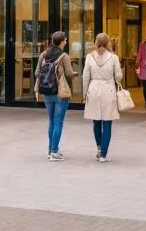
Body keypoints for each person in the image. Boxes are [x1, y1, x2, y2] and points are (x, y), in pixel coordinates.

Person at [35, 31, 76, 161]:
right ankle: (54, 152)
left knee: (51, 121)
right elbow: (69, 74)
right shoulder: (64, 56)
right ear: (62, 42)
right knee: (58, 121)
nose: (66, 42)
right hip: (60, 92)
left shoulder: (43, 54)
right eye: (65, 40)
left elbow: (37, 72)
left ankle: (50, 149)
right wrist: (74, 73)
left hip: (46, 91)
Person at [83, 33, 123, 162]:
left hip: (93, 89)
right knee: (107, 122)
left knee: (96, 121)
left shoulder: (89, 57)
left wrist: (84, 93)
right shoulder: (113, 58)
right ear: (108, 43)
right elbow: (118, 77)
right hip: (108, 90)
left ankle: (99, 148)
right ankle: (104, 155)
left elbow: (85, 77)